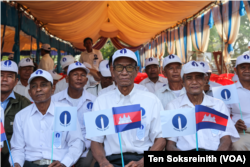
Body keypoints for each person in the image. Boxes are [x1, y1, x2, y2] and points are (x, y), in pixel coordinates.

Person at [89, 48, 166, 167]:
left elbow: (160, 138)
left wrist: (144, 161)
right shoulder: (101, 101)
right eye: (119, 67)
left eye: (129, 67)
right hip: (111, 161)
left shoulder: (151, 100)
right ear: (112, 71)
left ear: (136, 71)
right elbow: (95, 141)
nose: (124, 72)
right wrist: (103, 162)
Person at [10, 69, 84, 167]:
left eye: (44, 85)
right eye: (34, 86)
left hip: (58, 164)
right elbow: (17, 148)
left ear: (52, 88)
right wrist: (16, 164)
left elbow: (77, 143)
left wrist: (65, 163)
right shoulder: (21, 116)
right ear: (29, 92)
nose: (38, 89)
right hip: (30, 164)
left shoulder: (65, 111)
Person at [166, 61, 239, 151]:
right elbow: (170, 145)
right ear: (183, 82)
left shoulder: (218, 105)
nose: (194, 82)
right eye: (189, 78)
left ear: (205, 80)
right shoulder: (173, 106)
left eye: (199, 78)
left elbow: (226, 139)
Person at [52, 62, 96, 167]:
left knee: (85, 164)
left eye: (83, 75)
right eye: (75, 74)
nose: (79, 78)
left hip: (85, 149)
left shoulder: (94, 101)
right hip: (61, 148)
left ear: (86, 80)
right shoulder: (55, 100)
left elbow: (95, 133)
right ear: (67, 79)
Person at [0, 60, 31, 167]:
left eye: (9, 76)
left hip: (12, 153)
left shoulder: (24, 103)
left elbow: (28, 136)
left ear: (16, 81)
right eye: (1, 75)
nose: (4, 79)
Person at [227, 54, 250, 150]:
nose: (247, 70)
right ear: (236, 70)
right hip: (242, 132)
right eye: (243, 67)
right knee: (237, 146)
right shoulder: (228, 91)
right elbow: (224, 118)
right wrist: (234, 126)